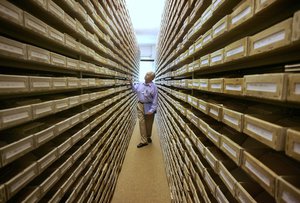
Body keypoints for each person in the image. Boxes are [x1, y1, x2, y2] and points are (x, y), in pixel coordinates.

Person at [129, 71, 158, 148]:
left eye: (148, 75)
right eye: (146, 74)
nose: (146, 75)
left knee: (149, 123)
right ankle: (143, 140)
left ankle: (148, 136)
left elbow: (155, 100)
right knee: (141, 122)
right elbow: (134, 90)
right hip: (140, 104)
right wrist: (131, 84)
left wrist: (152, 110)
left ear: (152, 78)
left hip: (149, 106)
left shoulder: (154, 87)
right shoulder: (140, 84)